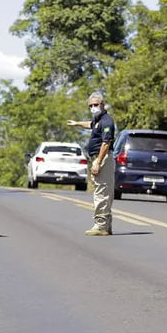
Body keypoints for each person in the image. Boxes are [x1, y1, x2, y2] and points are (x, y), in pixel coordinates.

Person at [67, 92, 116, 236]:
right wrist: (77, 124)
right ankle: (106, 225)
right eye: (91, 106)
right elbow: (91, 125)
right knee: (102, 191)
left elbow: (106, 143)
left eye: (96, 105)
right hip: (98, 158)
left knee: (101, 193)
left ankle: (101, 225)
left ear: (103, 104)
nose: (93, 107)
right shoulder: (98, 120)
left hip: (102, 158)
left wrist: (98, 162)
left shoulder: (107, 121)